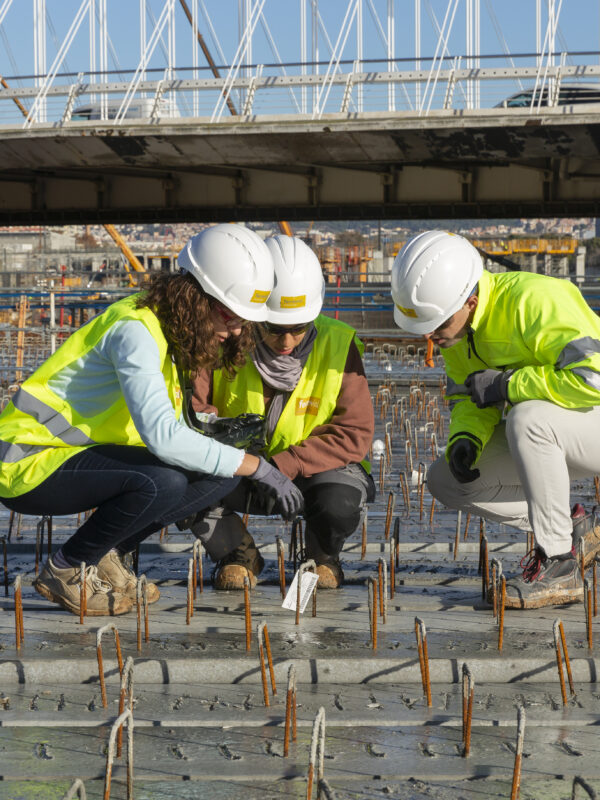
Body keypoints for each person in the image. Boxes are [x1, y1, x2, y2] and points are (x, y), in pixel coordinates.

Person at [0, 223, 304, 616]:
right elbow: (162, 437)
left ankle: (105, 556)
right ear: (197, 297)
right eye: (231, 315)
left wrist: (222, 444)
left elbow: (170, 425)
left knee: (218, 473)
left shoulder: (169, 334)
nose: (237, 330)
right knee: (162, 481)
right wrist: (258, 466)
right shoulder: (135, 331)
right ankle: (66, 568)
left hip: (74, 455)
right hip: (26, 460)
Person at [391, 229, 600, 610]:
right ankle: (573, 527)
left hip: (591, 419)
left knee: (527, 418)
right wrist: (465, 438)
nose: (432, 338)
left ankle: (560, 564)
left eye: (436, 327)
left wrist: (508, 385)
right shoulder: (456, 332)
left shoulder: (534, 300)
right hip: (553, 430)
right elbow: (471, 396)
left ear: (470, 300)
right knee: (445, 481)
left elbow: (593, 378)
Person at [188, 234, 375, 590]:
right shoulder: (220, 340)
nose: (287, 342)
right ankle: (237, 554)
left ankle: (321, 557)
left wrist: (283, 465)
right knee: (180, 480)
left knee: (340, 500)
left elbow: (354, 433)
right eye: (274, 330)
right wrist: (245, 460)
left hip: (311, 472)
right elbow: (194, 414)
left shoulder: (339, 344)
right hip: (239, 468)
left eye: (298, 329)